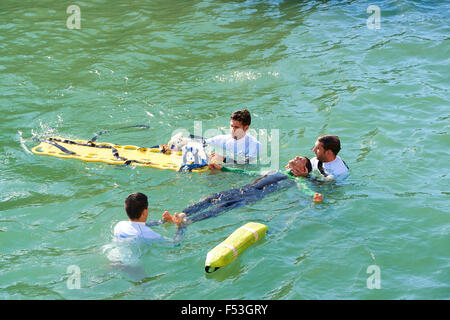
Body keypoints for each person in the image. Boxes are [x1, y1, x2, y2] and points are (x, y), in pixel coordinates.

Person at [158, 156, 322, 228]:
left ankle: (188, 222)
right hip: (246, 189)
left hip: (255, 195)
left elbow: (304, 188)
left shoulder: (297, 179)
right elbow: (248, 174)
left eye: (301, 159)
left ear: (304, 171)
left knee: (223, 206)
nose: (296, 157)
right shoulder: (275, 170)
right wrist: (224, 169)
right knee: (212, 198)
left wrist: (313, 196)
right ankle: (182, 215)